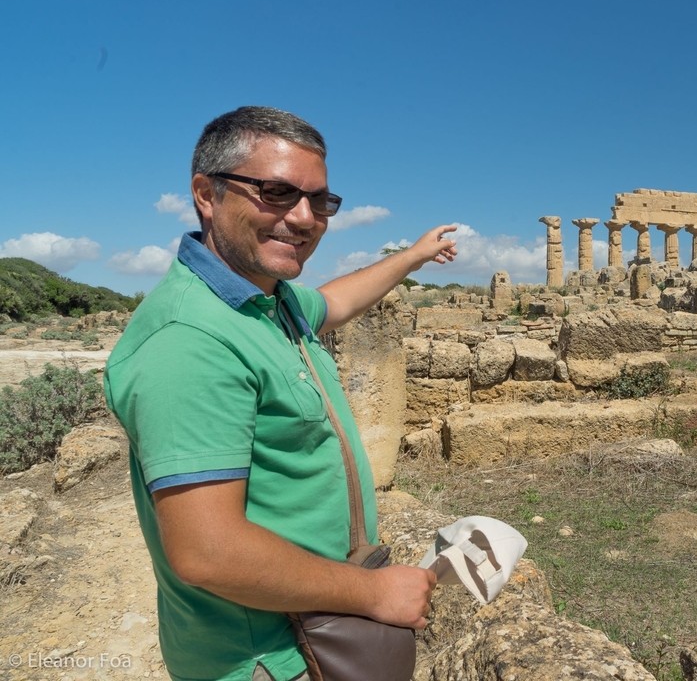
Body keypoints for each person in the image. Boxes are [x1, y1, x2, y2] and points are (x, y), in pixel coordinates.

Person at [105, 106, 456, 681]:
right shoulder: (190, 339)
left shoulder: (268, 302)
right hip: (265, 659)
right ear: (206, 194)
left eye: (321, 202)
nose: (303, 218)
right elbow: (207, 552)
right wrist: (370, 594)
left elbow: (336, 302)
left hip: (312, 633)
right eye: (275, 192)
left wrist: (413, 256)